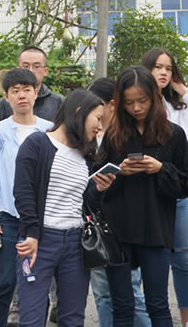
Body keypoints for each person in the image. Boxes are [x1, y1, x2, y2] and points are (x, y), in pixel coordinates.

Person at [14, 89, 115, 326]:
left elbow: (85, 203)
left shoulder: (87, 155)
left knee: (73, 317)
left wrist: (99, 190)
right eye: (98, 118)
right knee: (31, 318)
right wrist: (31, 233)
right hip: (39, 240)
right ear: (80, 112)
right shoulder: (37, 144)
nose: (100, 127)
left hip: (75, 242)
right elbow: (23, 192)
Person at [100, 66, 188, 326]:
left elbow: (184, 184)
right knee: (122, 306)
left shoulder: (173, 135)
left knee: (158, 304)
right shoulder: (114, 135)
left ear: (155, 97)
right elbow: (96, 181)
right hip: (118, 229)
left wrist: (161, 169)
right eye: (129, 103)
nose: (136, 108)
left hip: (155, 228)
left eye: (142, 101)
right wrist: (119, 172)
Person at [0, 68, 53, 327]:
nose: (21, 95)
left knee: (37, 283)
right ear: (6, 97)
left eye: (27, 90)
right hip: (6, 218)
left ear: (36, 93)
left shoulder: (49, 130)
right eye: (15, 91)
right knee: (5, 283)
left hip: (40, 219)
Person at [86, 78, 151, 327]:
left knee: (132, 293)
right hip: (95, 223)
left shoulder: (129, 137)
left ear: (112, 105)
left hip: (123, 226)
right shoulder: (87, 136)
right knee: (102, 294)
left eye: (97, 105)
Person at [141, 48, 188, 327]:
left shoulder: (179, 108)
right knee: (147, 260)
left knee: (183, 259)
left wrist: (183, 91)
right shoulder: (136, 105)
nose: (163, 72)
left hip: (178, 191)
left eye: (168, 68)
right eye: (157, 67)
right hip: (145, 194)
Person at [0, 46, 63, 124]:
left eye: (36, 67)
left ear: (45, 71)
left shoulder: (58, 102)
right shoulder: (5, 104)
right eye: (25, 66)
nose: (30, 71)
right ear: (18, 69)